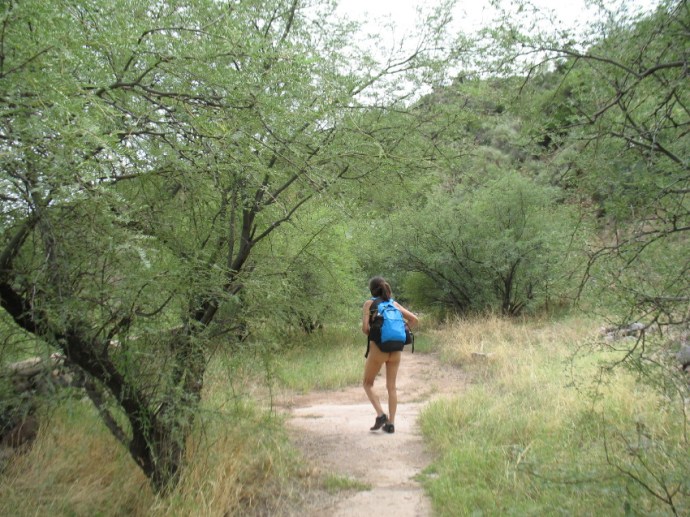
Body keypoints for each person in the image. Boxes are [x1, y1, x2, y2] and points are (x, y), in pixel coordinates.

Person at [361, 276, 418, 434]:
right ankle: (391, 424)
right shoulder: (394, 304)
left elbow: (365, 329)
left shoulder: (369, 304)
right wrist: (401, 329)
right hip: (396, 350)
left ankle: (381, 415)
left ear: (372, 290)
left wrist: (377, 333)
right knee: (391, 387)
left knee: (367, 383)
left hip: (379, 350)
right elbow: (414, 319)